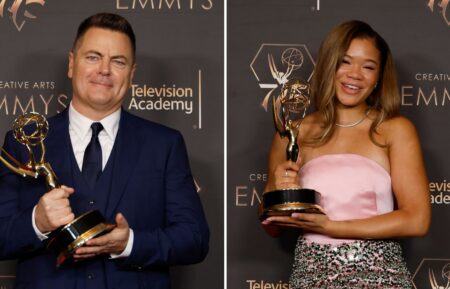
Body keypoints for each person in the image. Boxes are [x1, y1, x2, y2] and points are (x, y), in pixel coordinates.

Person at [0, 12, 209, 289]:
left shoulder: (164, 145)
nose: (104, 70)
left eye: (118, 61)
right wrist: (36, 222)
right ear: (72, 64)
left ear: (132, 74)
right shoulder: (23, 142)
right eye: (93, 57)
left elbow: (194, 238)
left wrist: (129, 243)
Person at [261, 20, 430, 288]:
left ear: (377, 79)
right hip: (311, 277)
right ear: (329, 66)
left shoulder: (394, 130)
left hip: (379, 278)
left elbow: (417, 220)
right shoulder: (295, 132)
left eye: (368, 67)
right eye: (346, 62)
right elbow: (272, 227)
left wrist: (332, 228)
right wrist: (278, 186)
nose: (355, 74)